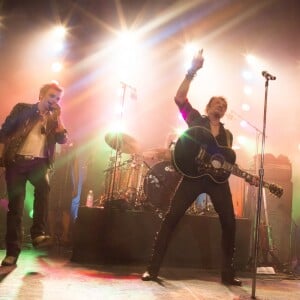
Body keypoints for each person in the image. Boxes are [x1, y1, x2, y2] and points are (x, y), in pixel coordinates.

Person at [141, 49, 242, 286]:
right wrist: (192, 71)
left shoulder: (228, 134)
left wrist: (244, 173)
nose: (220, 106)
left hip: (217, 182)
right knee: (172, 217)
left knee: (229, 222)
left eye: (223, 105)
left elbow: (225, 162)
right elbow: (179, 98)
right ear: (208, 108)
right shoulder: (196, 120)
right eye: (216, 103)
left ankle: (228, 274)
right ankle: (152, 269)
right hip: (193, 177)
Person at [0, 81, 68, 266]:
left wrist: (58, 117)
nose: (54, 101)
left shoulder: (53, 119)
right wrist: (1, 160)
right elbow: (4, 132)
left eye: (58, 98)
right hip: (17, 161)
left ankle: (38, 234)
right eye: (51, 96)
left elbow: (63, 139)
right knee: (15, 208)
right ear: (41, 96)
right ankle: (12, 252)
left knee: (44, 188)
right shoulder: (23, 109)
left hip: (39, 163)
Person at [48, 141, 79, 247]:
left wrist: (75, 187)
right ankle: (52, 236)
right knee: (52, 208)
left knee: (66, 208)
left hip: (67, 181)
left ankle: (65, 236)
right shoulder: (54, 148)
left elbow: (75, 169)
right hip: (55, 180)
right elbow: (49, 165)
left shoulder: (72, 153)